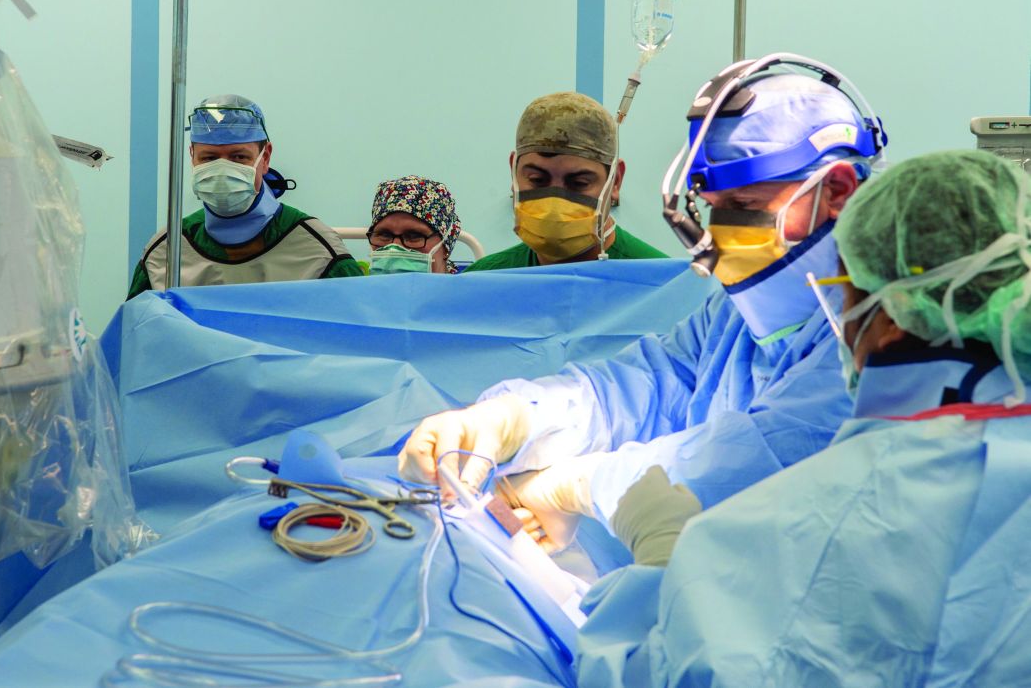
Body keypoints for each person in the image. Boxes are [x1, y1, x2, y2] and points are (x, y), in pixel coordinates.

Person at [398, 55, 887, 562]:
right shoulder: (736, 314)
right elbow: (648, 385)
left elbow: (763, 459)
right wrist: (511, 419)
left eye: (742, 205)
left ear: (836, 191)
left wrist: (579, 484)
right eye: (712, 206)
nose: (720, 230)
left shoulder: (887, 332)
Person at [575, 149, 1031, 687]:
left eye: (845, 292)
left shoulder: (814, 525)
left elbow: (653, 674)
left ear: (884, 315)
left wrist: (662, 573)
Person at [127, 94, 363, 298]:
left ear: (266, 157)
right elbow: (135, 336)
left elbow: (358, 337)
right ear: (192, 157)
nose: (222, 171)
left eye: (239, 157)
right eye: (208, 158)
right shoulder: (167, 250)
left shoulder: (317, 249)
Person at [464, 91, 665, 272]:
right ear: (513, 172)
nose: (554, 207)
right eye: (537, 180)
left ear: (615, 182)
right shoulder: (483, 282)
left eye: (579, 183)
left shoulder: (662, 285)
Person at [366, 175, 461, 274]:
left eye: (414, 236)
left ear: (446, 246)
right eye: (384, 235)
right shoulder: (358, 288)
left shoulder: (468, 288)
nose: (394, 249)